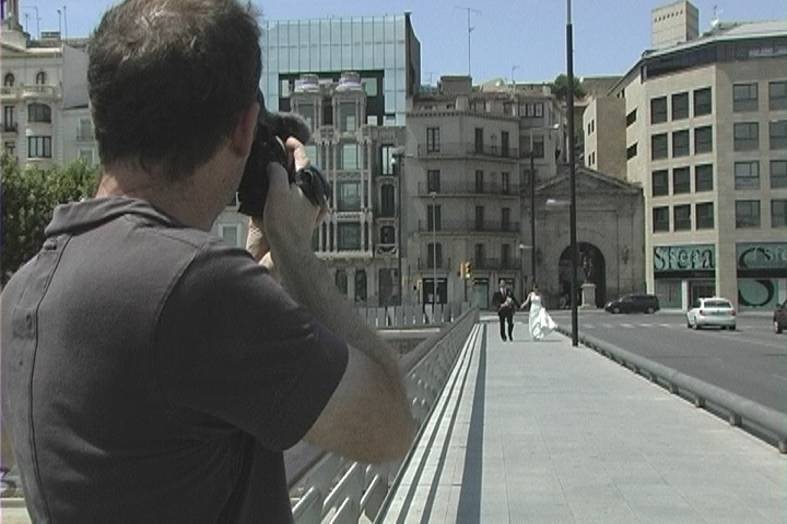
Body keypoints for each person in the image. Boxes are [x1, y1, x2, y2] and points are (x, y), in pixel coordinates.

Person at [0, 1, 414, 522]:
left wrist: (255, 256)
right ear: (243, 129)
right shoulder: (200, 288)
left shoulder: (23, 293)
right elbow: (390, 425)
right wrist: (290, 242)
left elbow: (162, 418)